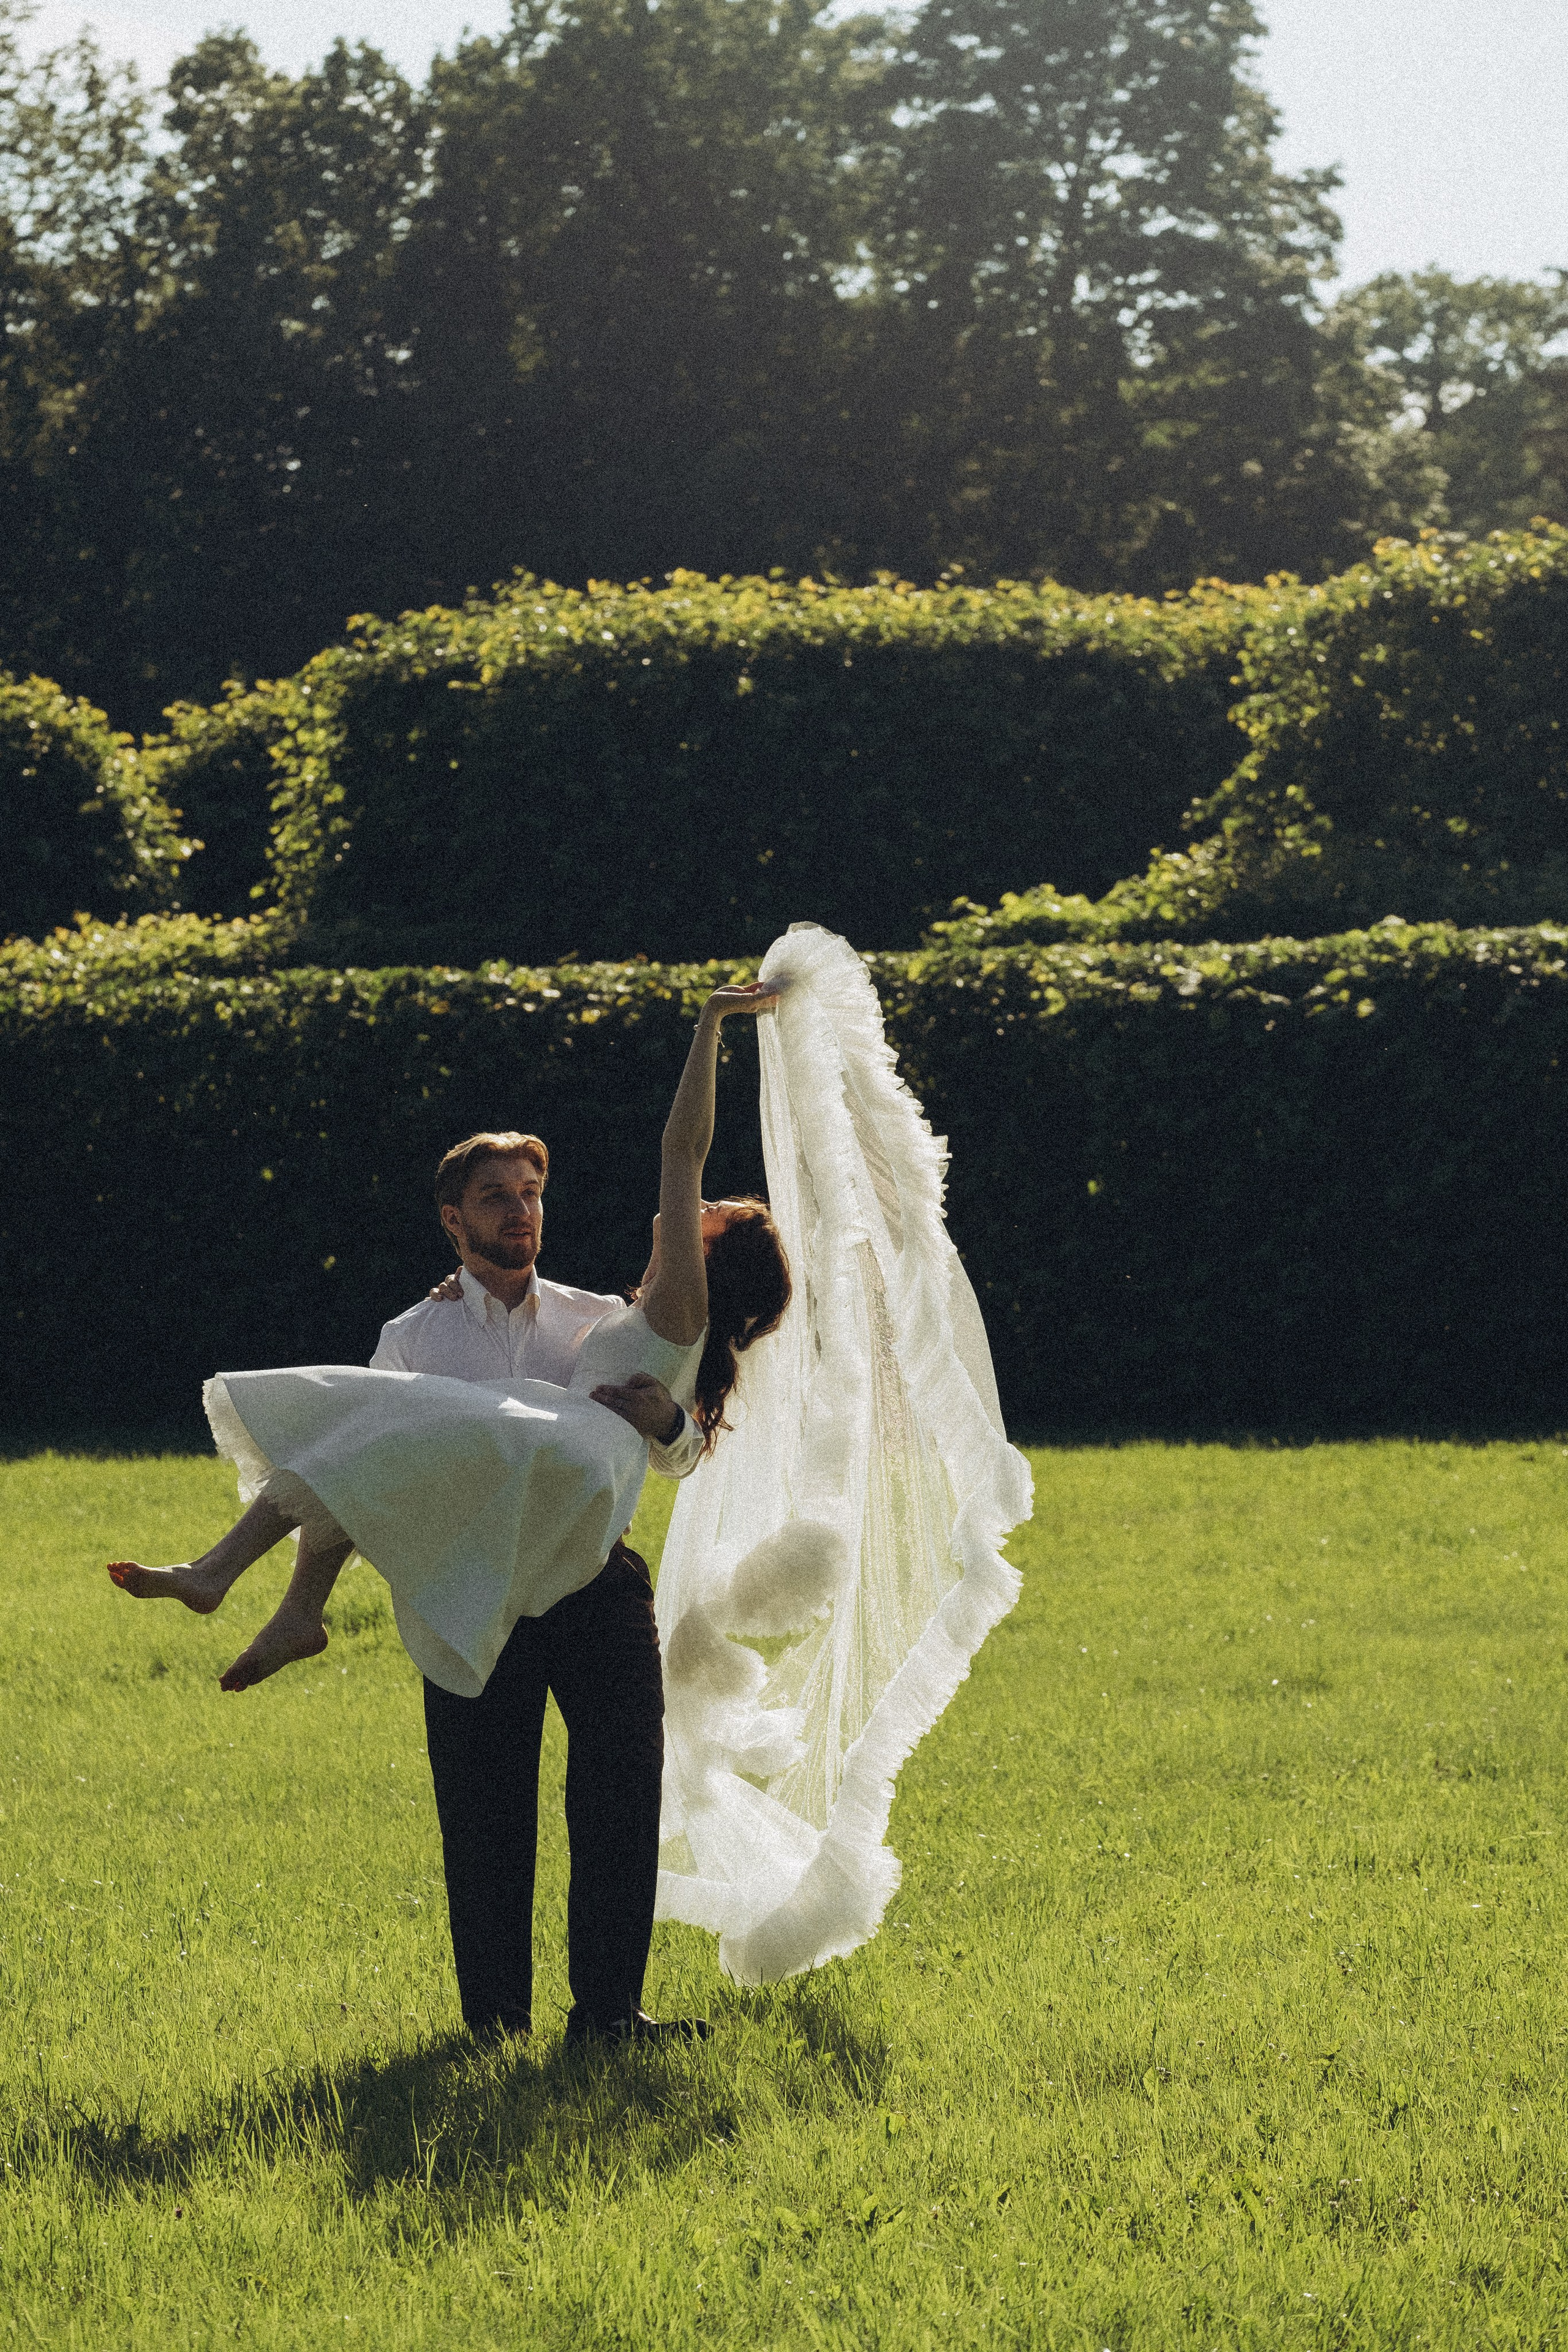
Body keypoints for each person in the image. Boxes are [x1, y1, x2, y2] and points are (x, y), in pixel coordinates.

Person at [110, 980, 792, 2045]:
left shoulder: (602, 1316)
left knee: (618, 1799)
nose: (521, 1210)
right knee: (482, 1816)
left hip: (592, 1581)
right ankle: (492, 2029)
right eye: (496, 1197)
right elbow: (372, 1486)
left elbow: (679, 1452)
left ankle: (610, 2016)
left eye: (532, 1193)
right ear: (454, 1218)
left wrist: (668, 1422)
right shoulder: (414, 1338)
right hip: (473, 1584)